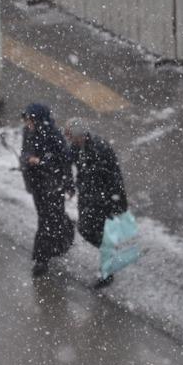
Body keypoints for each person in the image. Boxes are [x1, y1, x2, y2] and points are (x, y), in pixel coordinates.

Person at [64, 118, 128, 288]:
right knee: (86, 229)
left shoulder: (100, 148)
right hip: (88, 196)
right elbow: (66, 161)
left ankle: (107, 271)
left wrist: (117, 202)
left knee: (92, 229)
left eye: (71, 136)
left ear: (80, 134)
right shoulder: (77, 147)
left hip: (102, 198)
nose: (69, 140)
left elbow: (114, 177)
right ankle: (109, 253)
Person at [20, 103, 75, 277]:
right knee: (48, 217)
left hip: (52, 184)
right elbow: (25, 153)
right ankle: (59, 242)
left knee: (47, 220)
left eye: (30, 119)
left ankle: (41, 259)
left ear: (37, 119)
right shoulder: (28, 132)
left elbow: (64, 160)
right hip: (37, 184)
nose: (27, 123)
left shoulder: (54, 136)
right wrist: (29, 159)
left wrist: (42, 161)